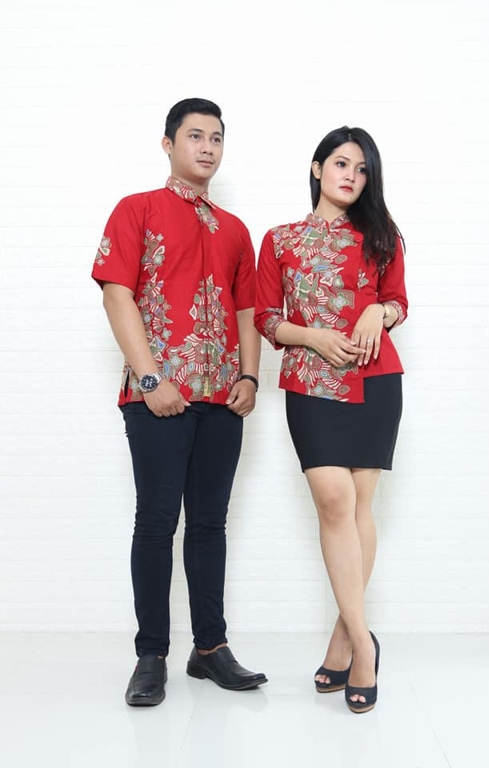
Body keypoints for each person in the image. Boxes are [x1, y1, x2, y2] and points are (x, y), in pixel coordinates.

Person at [92, 97, 267, 706]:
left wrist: (250, 377)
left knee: (211, 524)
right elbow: (117, 294)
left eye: (216, 138)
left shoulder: (236, 229)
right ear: (168, 144)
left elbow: (247, 309)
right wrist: (149, 381)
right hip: (157, 396)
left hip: (223, 399)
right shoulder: (136, 209)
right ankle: (151, 655)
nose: (207, 147)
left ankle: (210, 648)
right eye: (195, 136)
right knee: (156, 522)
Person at [254, 126, 407, 714]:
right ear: (317, 168)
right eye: (341, 164)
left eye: (362, 169)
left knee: (360, 508)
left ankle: (346, 640)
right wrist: (313, 336)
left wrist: (377, 311)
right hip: (310, 382)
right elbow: (267, 317)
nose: (352, 176)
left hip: (374, 379)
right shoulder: (281, 239)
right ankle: (364, 642)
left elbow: (399, 301)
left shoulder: (382, 235)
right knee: (334, 503)